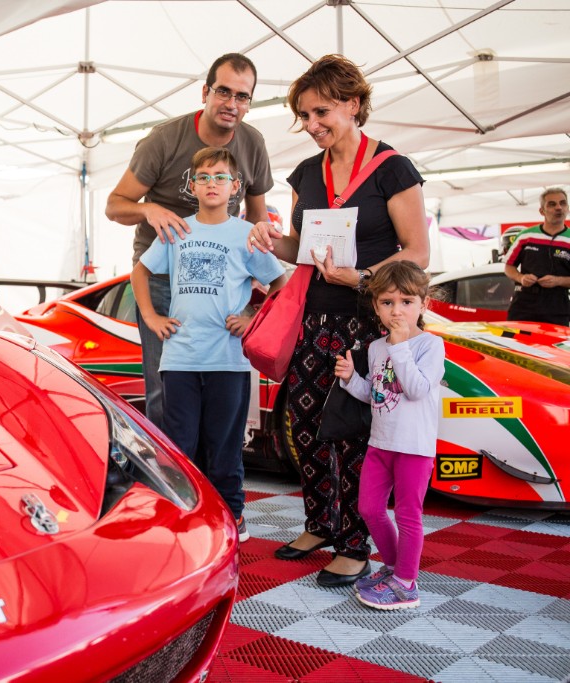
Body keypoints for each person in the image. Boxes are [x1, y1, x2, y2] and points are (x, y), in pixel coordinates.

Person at [248, 54, 430, 587]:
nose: (311, 125)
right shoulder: (307, 172)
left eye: (321, 111)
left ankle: (355, 543)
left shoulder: (393, 168)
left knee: (351, 434)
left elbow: (417, 252)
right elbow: (301, 248)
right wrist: (268, 238)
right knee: (304, 429)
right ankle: (319, 522)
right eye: (303, 116)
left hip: (370, 323)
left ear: (354, 105)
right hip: (314, 318)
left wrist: (363, 278)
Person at [106, 53, 275, 431]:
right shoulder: (164, 139)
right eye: (223, 91)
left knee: (218, 394)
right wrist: (150, 210)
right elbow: (114, 206)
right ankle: (175, 481)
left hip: (223, 288)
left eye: (243, 96)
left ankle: (212, 480)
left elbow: (258, 217)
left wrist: (253, 302)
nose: (232, 104)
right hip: (166, 285)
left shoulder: (253, 144)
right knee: (166, 391)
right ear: (205, 92)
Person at [131, 147, 286, 542]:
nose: (212, 183)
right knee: (182, 446)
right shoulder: (178, 230)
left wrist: (253, 318)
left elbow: (280, 283)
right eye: (203, 176)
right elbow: (141, 271)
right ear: (192, 185)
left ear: (236, 186)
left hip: (228, 362)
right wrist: (150, 317)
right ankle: (189, 515)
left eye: (220, 176)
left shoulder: (246, 235)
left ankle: (232, 514)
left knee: (225, 447)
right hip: (180, 359)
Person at [334, 261, 444, 610]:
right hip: (380, 444)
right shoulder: (377, 347)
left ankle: (406, 584)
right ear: (376, 305)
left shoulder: (430, 345)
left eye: (406, 302)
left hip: (414, 447)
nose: (397, 310)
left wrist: (399, 346)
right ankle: (396, 568)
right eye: (387, 302)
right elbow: (377, 394)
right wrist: (352, 378)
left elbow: (415, 389)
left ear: (424, 304)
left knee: (409, 514)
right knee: (369, 508)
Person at [504, 187, 570, 325]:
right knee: (515, 345)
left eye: (562, 203)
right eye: (552, 204)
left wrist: (558, 281)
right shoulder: (525, 236)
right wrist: (520, 277)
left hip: (557, 306)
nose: (558, 208)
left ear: (567, 208)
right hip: (524, 304)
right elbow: (509, 267)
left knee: (554, 347)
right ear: (542, 211)